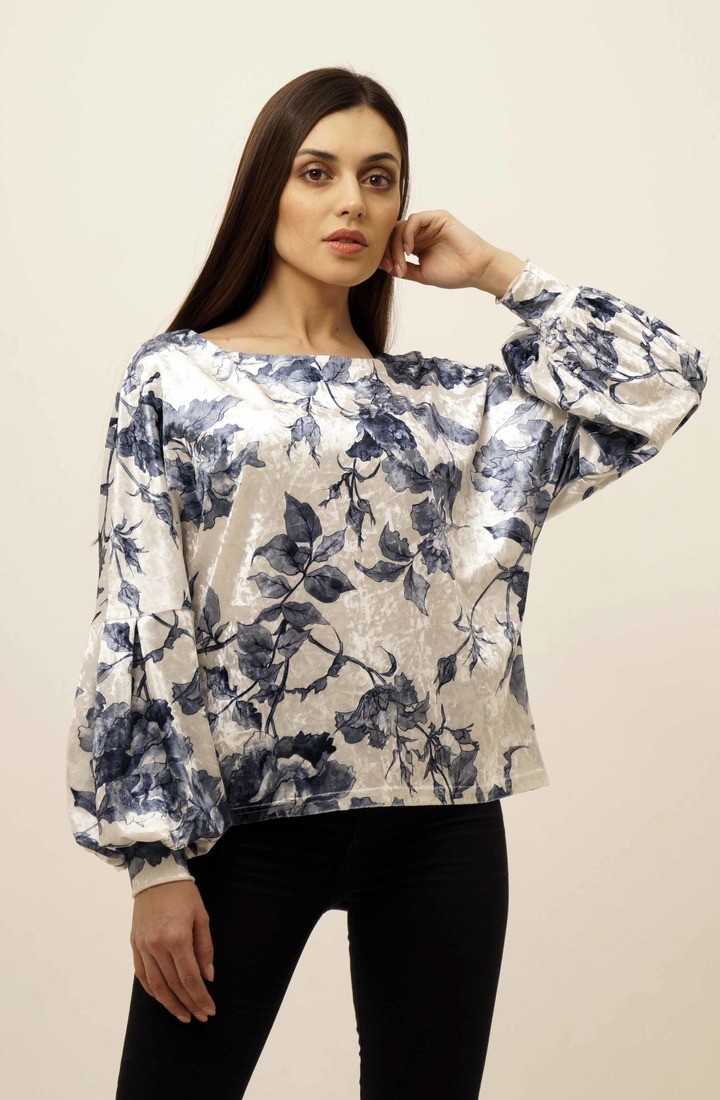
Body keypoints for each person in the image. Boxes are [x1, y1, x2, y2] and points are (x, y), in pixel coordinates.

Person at [65, 67, 707, 1099]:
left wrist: (499, 272)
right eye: (317, 172)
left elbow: (663, 380)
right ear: (267, 189)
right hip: (243, 823)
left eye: (379, 178)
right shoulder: (175, 379)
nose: (352, 203)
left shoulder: (449, 408)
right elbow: (140, 613)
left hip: (439, 825)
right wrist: (154, 862)